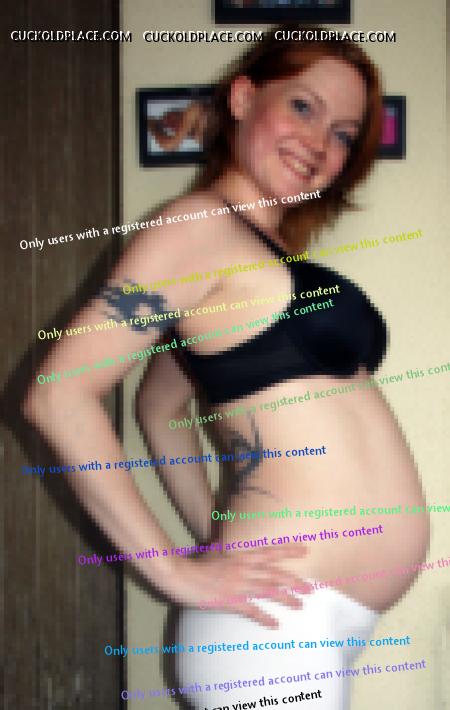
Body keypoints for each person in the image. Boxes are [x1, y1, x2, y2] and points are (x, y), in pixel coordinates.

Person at [24, 26, 429, 709]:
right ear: (243, 99)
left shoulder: (252, 255)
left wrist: (213, 537)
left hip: (302, 620)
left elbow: (160, 407)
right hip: (275, 631)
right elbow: (58, 397)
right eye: (303, 107)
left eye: (343, 133)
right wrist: (176, 573)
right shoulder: (197, 225)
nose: (320, 142)